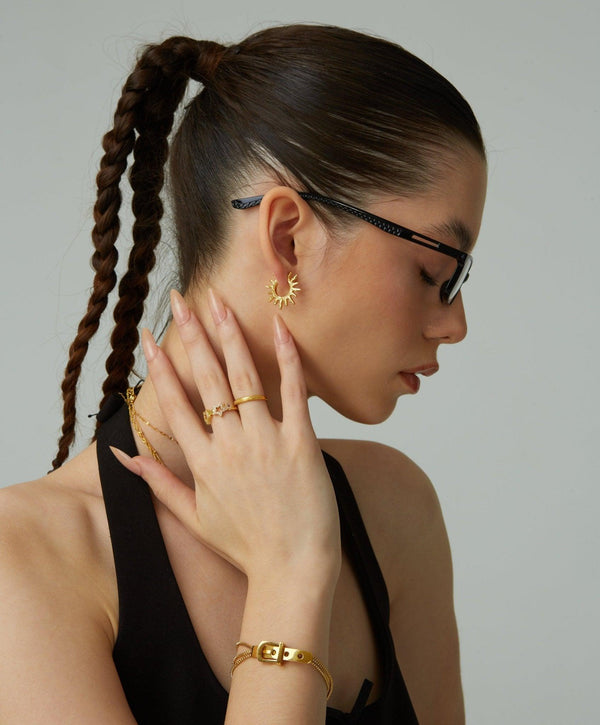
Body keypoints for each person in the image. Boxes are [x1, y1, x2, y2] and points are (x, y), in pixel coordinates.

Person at [0, 23, 486, 725]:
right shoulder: (25, 560)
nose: (455, 322)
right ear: (287, 237)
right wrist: (290, 574)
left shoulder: (395, 510)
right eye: (437, 271)